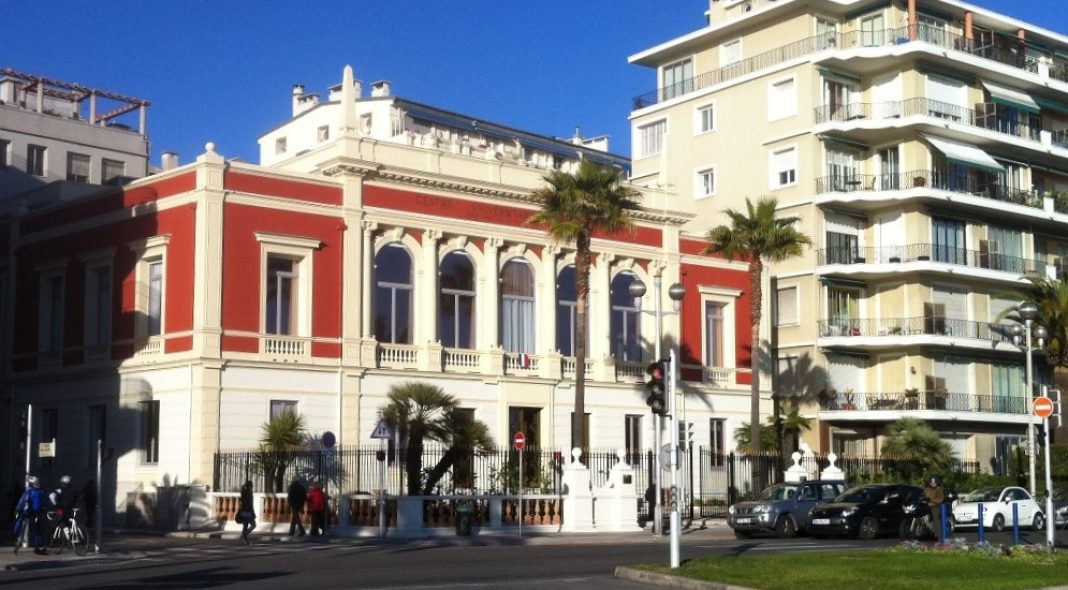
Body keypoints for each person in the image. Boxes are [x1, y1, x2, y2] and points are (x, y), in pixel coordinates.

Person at [16, 476, 49, 555]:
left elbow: (23, 500)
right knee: (38, 529)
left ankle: (17, 535)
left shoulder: (29, 491)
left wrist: (18, 508)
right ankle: (39, 546)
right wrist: (45, 508)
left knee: (21, 521)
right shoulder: (42, 491)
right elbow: (45, 501)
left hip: (30, 512)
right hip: (38, 512)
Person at [923, 475, 946, 541]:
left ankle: (938, 536)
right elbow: (923, 495)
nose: (933, 484)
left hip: (936, 506)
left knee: (936, 519)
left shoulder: (939, 489)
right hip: (927, 505)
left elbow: (940, 499)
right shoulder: (927, 489)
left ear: (937, 483)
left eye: (934, 482)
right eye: (931, 482)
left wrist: (931, 500)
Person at [238, 480, 256, 545]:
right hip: (247, 512)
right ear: (250, 486)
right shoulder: (248, 493)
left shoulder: (243, 492)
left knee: (245, 526)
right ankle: (243, 537)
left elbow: (241, 502)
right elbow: (250, 504)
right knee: (253, 525)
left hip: (244, 511)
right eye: (251, 486)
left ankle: (244, 538)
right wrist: (252, 512)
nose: (252, 487)